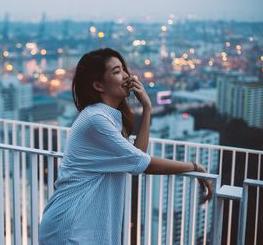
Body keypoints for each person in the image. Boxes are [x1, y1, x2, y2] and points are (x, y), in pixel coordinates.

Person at [38, 48, 212, 244]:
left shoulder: (105, 117)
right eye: (116, 71)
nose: (127, 76)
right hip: (70, 226)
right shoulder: (96, 120)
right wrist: (194, 167)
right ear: (98, 85)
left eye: (123, 69)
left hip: (82, 224)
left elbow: (136, 156)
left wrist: (147, 108)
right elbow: (143, 163)